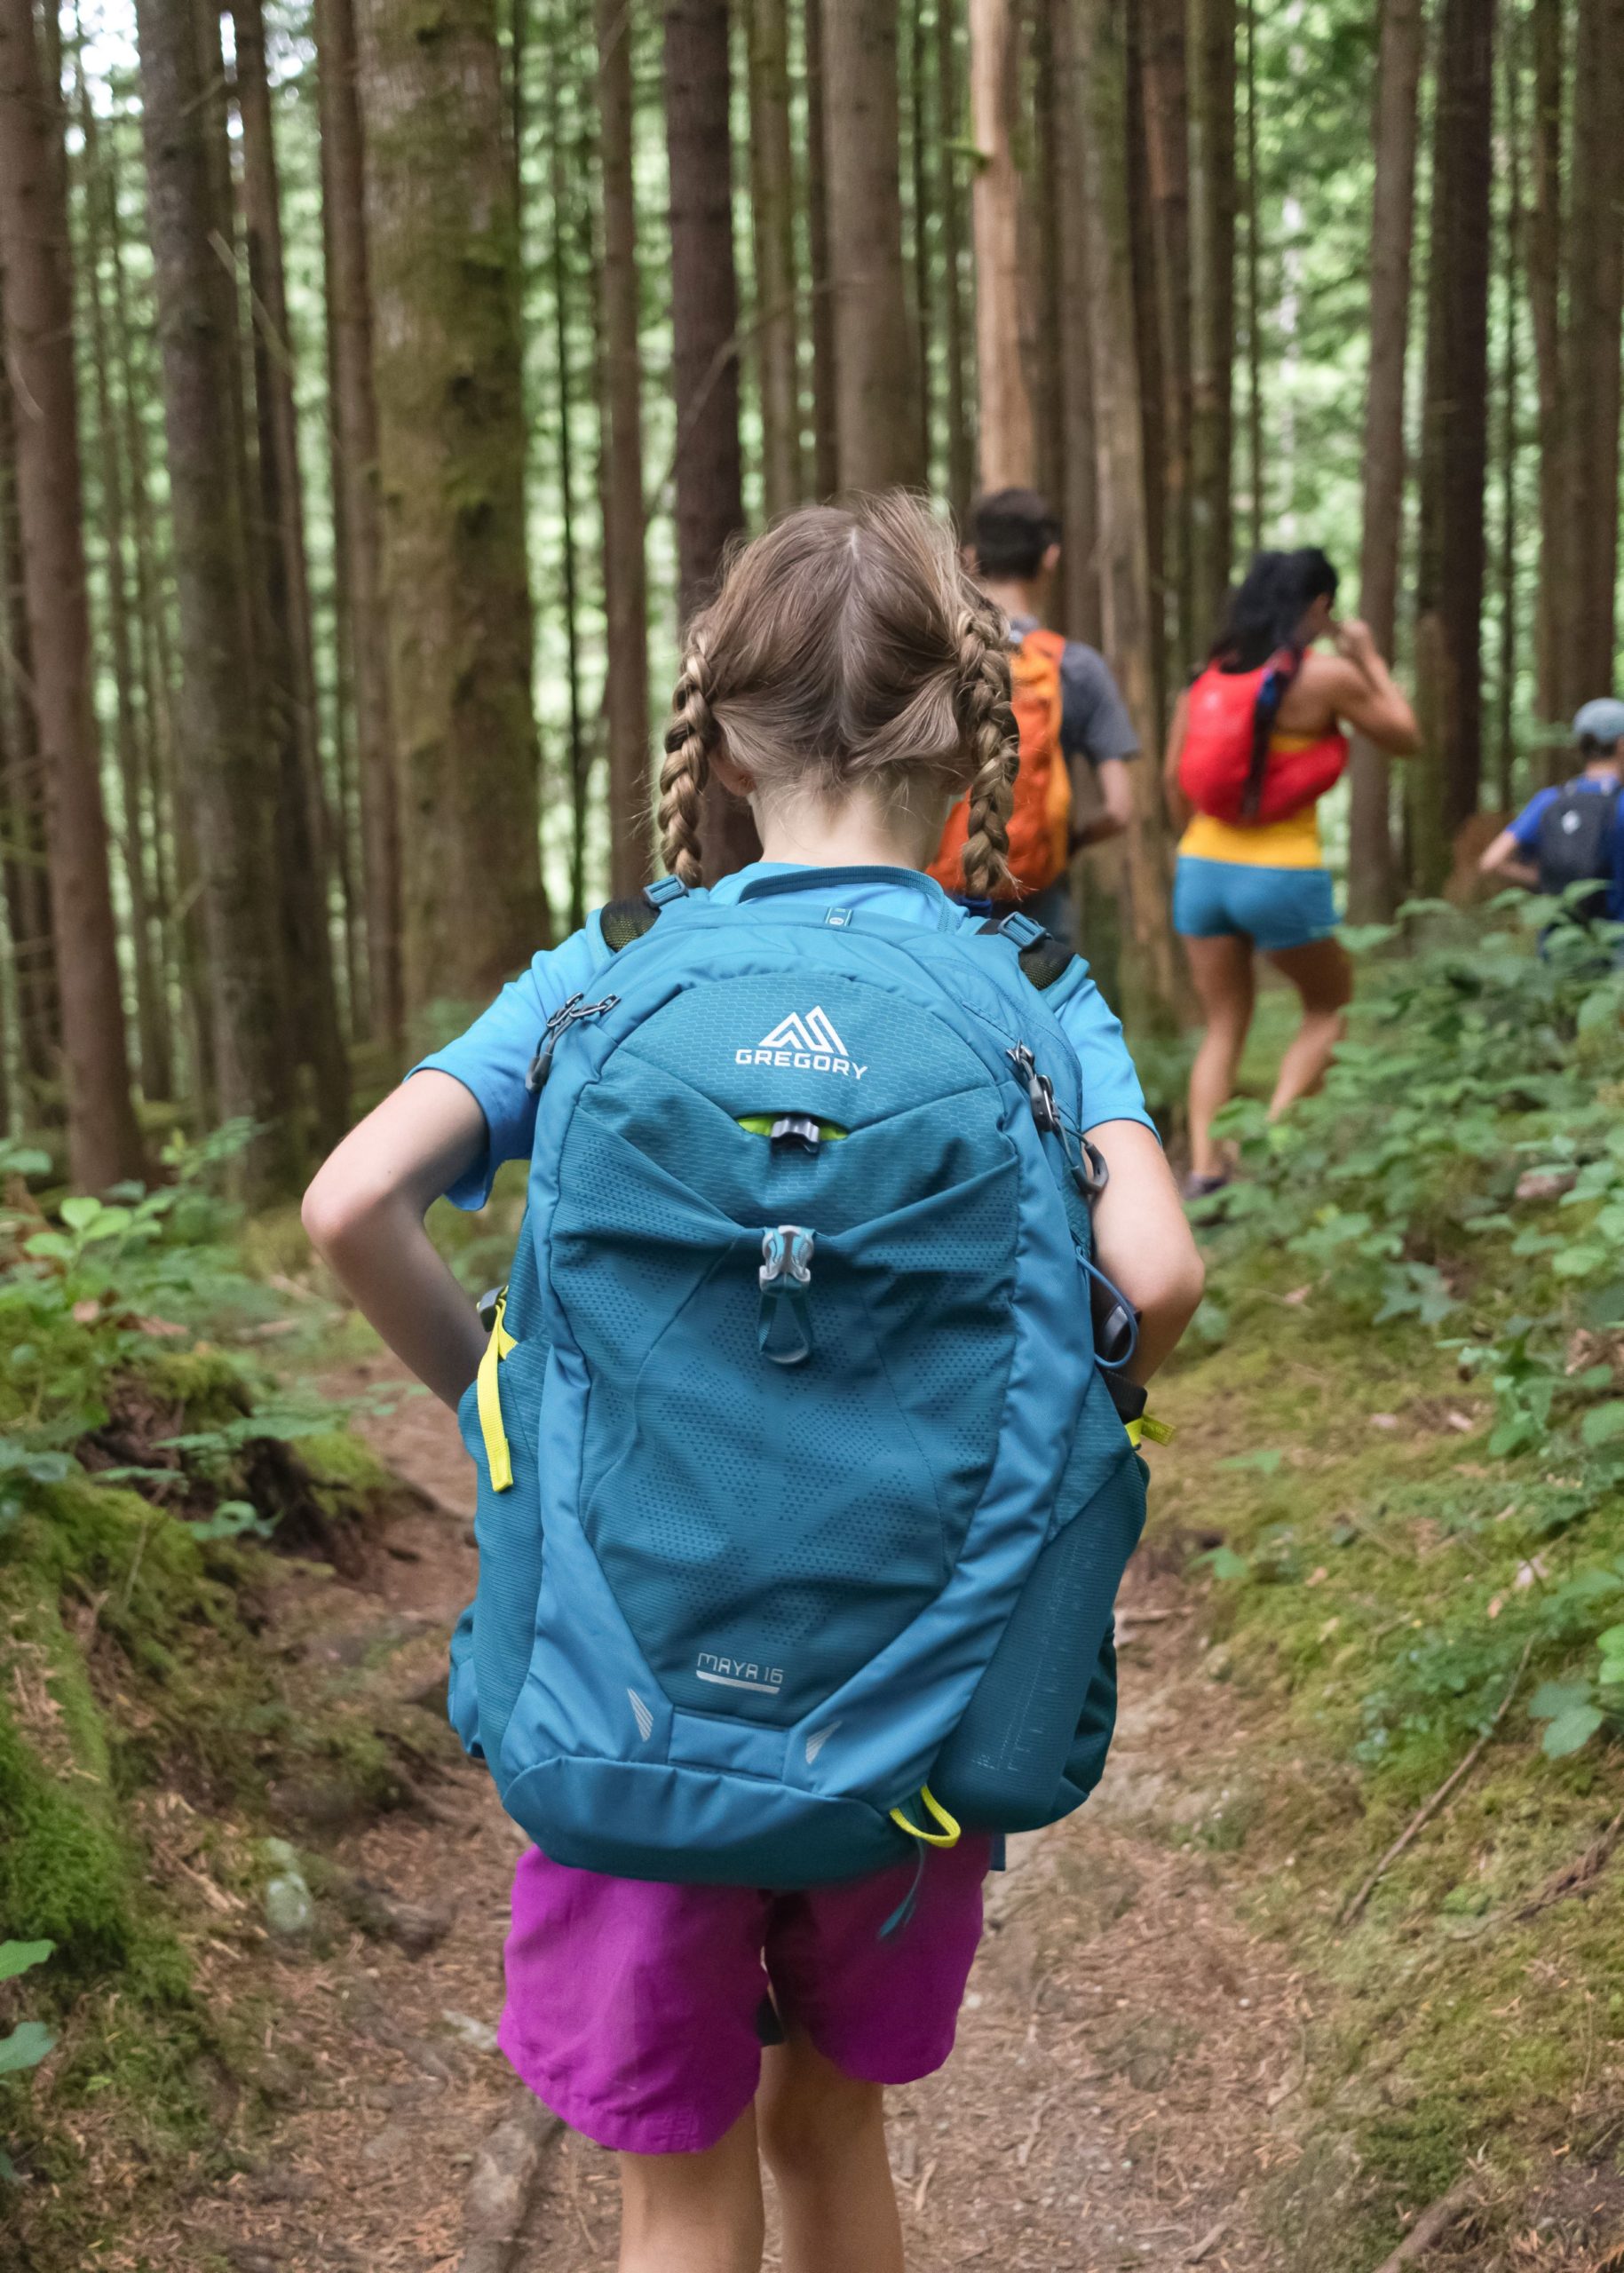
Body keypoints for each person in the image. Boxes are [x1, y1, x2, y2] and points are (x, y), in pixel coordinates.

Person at [304, 495, 1203, 2273]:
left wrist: (496, 1400)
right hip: (912, 1713)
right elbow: (1154, 1272)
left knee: (673, 2174)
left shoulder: (613, 967)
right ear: (966, 730)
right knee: (826, 2126)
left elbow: (348, 1202)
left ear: (711, 735)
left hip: (619, 1694)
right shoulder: (1029, 986)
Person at [1164, 547, 1419, 1199]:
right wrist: (1368, 659)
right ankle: (1273, 1148)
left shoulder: (1205, 679)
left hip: (1200, 868)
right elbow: (1405, 735)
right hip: (1279, 874)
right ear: (1315, 608)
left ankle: (1204, 1169)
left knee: (1222, 1023)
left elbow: (1173, 782)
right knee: (1328, 1002)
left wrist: (1193, 847)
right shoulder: (1326, 676)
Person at [928, 487, 1139, 945]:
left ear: (968, 557)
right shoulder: (1077, 667)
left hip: (939, 894)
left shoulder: (937, 656)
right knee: (1048, 1011)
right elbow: (1120, 809)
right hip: (1037, 900)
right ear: (1050, 558)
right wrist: (1064, 844)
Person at [1477, 697, 1624, 923]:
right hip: (1615, 942)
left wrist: (1545, 878)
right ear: (1621, 744)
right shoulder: (1619, 802)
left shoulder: (1549, 800)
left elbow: (1491, 861)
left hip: (1558, 940)